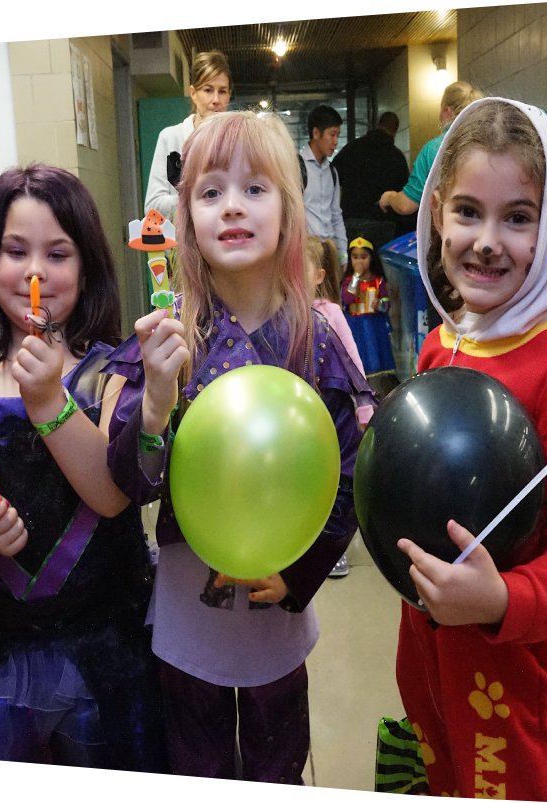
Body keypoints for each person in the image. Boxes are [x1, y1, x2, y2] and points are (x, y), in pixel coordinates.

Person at [105, 111, 374, 783]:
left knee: (278, 764)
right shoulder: (172, 335)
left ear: (287, 209)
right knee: (193, 759)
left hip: (275, 612)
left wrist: (302, 574)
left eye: (255, 189)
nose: (232, 206)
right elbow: (127, 481)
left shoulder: (316, 335)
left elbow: (350, 473)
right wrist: (156, 405)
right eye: (211, 191)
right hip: (185, 610)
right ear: (187, 214)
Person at [394, 98, 547, 802]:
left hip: (509, 691)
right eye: (468, 211)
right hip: (426, 668)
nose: (487, 240)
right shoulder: (445, 341)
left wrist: (506, 597)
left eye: (519, 217)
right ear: (437, 211)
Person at [0, 165, 168, 771]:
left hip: (104, 650)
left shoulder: (113, 376)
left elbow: (111, 496)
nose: (34, 272)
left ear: (87, 269)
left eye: (57, 253)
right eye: (14, 251)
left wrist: (49, 401)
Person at [306, 235, 375, 578]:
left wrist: (365, 409)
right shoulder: (284, 310)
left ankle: (334, 549)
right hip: (302, 413)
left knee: (335, 476)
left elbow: (353, 361)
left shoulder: (330, 312)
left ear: (318, 276)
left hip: (332, 409)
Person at [144, 50, 232, 219]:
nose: (216, 99)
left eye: (222, 91)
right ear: (193, 93)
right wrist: (199, 197)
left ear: (229, 95)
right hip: (183, 242)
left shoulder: (237, 141)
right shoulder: (170, 138)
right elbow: (153, 207)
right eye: (208, 90)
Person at [379, 81, 483, 217]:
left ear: (447, 112)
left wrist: (389, 197)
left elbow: (406, 205)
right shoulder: (492, 144)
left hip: (451, 233)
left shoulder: (434, 149)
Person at [331, 111, 411, 247]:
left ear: (378, 125)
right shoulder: (397, 157)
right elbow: (404, 195)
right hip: (382, 224)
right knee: (378, 267)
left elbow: (332, 175)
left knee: (354, 264)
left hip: (351, 221)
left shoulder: (352, 148)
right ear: (395, 132)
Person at [300, 104, 349, 266]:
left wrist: (343, 257)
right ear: (316, 133)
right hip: (305, 255)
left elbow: (336, 215)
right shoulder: (296, 166)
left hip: (330, 254)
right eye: (332, 135)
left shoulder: (332, 172)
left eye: (338, 135)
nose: (336, 142)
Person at [341, 236, 395, 377]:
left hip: (374, 325)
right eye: (355, 257)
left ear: (371, 258)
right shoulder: (348, 281)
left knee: (374, 356)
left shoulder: (378, 280)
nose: (359, 261)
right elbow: (347, 298)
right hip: (354, 325)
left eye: (363, 257)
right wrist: (357, 277)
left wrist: (380, 304)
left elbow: (386, 301)